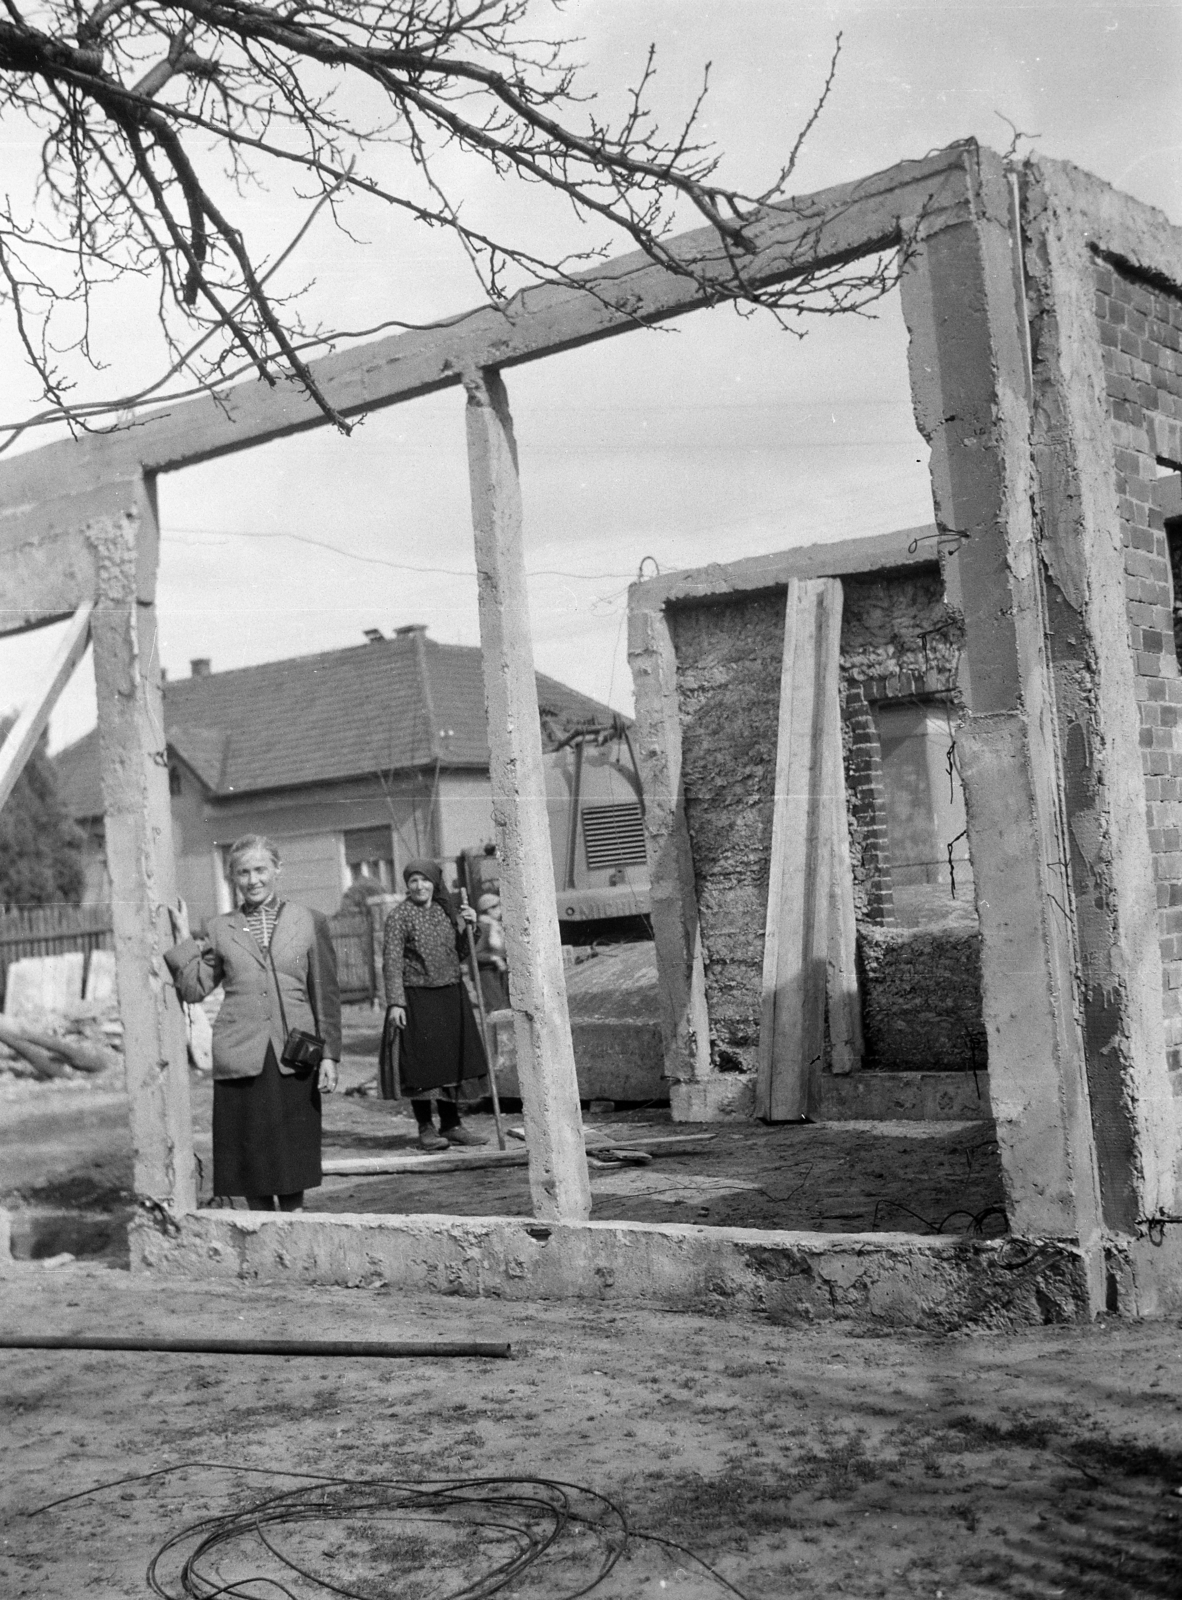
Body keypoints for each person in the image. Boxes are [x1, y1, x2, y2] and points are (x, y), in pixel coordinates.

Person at [165, 834, 341, 1211]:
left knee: (293, 1152)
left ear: (278, 869)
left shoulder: (309, 921)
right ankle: (259, 1227)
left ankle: (294, 1225)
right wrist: (183, 940)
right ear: (232, 878)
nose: (253, 880)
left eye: (261, 869)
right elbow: (195, 988)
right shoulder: (219, 927)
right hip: (241, 1054)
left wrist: (329, 1055)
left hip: (294, 1054)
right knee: (250, 1156)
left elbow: (324, 993)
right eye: (243, 872)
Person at [382, 859, 489, 1151]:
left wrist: (471, 926)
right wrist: (395, 1003)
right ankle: (426, 1128)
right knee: (423, 1066)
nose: (419, 886)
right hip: (417, 997)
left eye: (425, 880)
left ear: (434, 883)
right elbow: (391, 962)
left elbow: (461, 953)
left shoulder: (445, 912)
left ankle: (452, 1125)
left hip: (450, 994)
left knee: (450, 1062)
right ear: (407, 885)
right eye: (413, 881)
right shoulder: (399, 916)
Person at [474, 890, 510, 1013]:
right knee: (497, 1008)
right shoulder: (482, 927)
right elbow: (477, 954)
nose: (499, 909)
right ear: (488, 909)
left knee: (505, 1007)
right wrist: (495, 959)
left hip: (500, 972)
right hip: (488, 973)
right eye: (496, 907)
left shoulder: (495, 926)